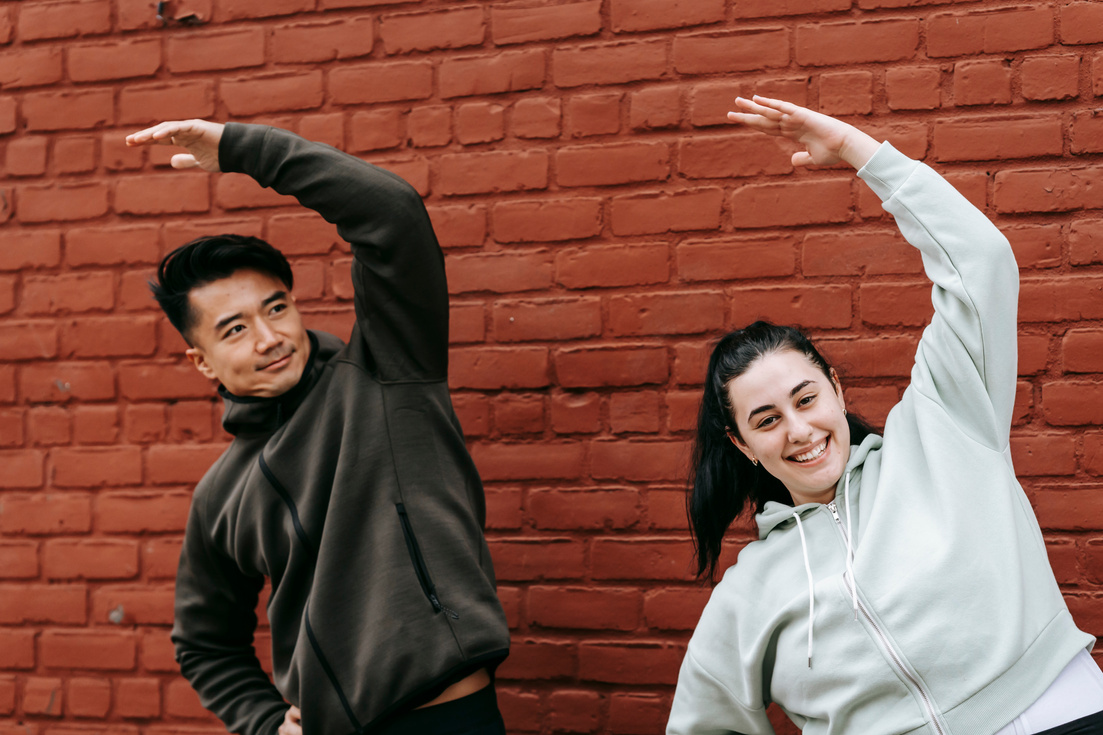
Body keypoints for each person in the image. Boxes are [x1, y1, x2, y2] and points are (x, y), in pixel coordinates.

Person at [667, 97, 1103, 735]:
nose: (799, 431)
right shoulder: (748, 594)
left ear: (837, 390)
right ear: (740, 443)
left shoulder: (942, 431)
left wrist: (855, 151)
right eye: (766, 420)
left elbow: (981, 263)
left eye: (806, 398)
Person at [124, 120, 510, 735]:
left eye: (276, 307)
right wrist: (265, 722)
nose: (269, 336)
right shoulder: (220, 496)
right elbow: (204, 643)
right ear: (201, 361)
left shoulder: (387, 372)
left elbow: (392, 213)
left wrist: (238, 150)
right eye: (235, 328)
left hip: (443, 718)